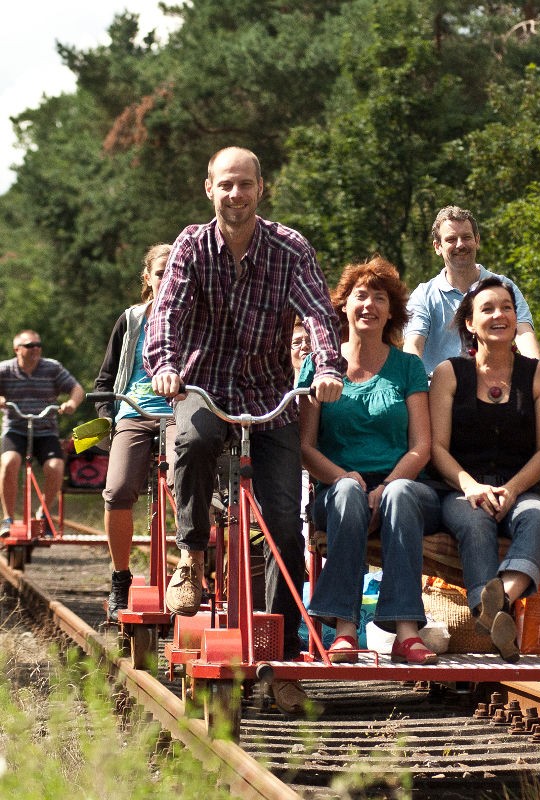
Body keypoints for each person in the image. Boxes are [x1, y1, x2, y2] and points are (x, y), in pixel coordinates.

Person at [144, 146, 344, 715]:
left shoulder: (290, 248)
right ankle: (191, 552)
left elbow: (317, 315)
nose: (236, 195)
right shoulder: (191, 246)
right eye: (225, 185)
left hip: (268, 394)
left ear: (263, 187)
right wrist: (163, 363)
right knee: (192, 439)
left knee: (284, 520)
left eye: (245, 184)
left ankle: (278, 657)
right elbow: (168, 313)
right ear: (210, 189)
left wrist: (328, 368)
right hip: (203, 385)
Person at [298, 256, 441, 665]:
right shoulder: (319, 366)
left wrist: (382, 487)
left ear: (391, 312)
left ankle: (406, 632)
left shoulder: (408, 367)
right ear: (343, 305)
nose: (369, 305)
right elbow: (306, 447)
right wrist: (350, 480)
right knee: (346, 493)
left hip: (405, 487)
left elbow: (422, 447)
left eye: (380, 298)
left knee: (398, 493)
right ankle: (344, 631)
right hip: (338, 489)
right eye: (360, 295)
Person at [429, 277, 540, 661]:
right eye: (487, 309)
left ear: (516, 318)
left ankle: (495, 600)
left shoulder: (539, 374)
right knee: (474, 521)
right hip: (461, 490)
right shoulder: (449, 373)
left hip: (522, 490)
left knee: (538, 516)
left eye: (506, 307)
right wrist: (469, 485)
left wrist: (516, 489)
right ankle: (498, 614)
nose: (499, 315)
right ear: (469, 324)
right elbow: (436, 447)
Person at [93, 243, 177, 622]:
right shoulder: (131, 320)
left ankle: (191, 570)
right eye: (161, 272)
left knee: (187, 481)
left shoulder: (195, 318)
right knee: (118, 489)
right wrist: (107, 415)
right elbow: (105, 379)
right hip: (134, 410)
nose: (168, 278)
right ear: (148, 278)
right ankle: (120, 576)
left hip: (180, 413)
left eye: (175, 271)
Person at [404, 205, 540, 375]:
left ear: (477, 240)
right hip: (438, 395)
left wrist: (536, 376)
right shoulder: (423, 295)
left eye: (466, 237)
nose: (460, 244)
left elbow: (523, 334)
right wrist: (412, 384)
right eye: (451, 239)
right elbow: (413, 346)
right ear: (437, 247)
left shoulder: (504, 287)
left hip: (496, 391)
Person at [0, 330, 85, 537]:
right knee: (9, 462)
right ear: (17, 349)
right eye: (30, 345)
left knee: (55, 467)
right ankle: (7, 519)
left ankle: (43, 514)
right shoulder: (4, 370)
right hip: (15, 428)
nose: (36, 349)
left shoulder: (52, 368)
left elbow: (77, 389)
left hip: (46, 430)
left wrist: (71, 403)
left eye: (38, 345)